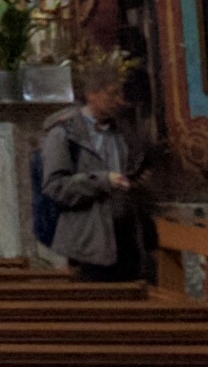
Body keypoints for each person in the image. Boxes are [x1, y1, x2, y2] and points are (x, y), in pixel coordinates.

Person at [35, 56, 152, 284]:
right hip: (87, 243)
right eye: (111, 94)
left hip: (127, 239)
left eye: (120, 94)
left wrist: (137, 180)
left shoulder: (123, 130)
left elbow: (129, 171)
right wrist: (103, 181)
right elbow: (55, 187)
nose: (119, 101)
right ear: (92, 94)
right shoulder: (64, 133)